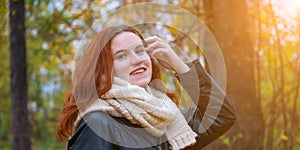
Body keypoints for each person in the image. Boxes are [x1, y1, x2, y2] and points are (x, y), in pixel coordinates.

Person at [56, 25, 236, 150]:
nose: (137, 60)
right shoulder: (97, 123)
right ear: (104, 72)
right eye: (121, 56)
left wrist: (180, 67)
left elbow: (222, 115)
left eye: (140, 50)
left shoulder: (166, 118)